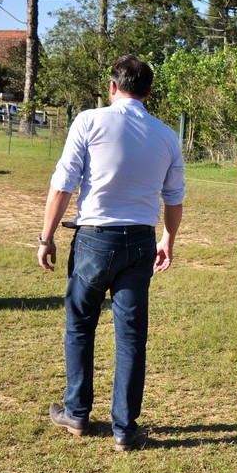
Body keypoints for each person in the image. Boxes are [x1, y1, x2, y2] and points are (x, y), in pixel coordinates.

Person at [38, 55, 185, 452]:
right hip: (140, 241)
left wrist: (46, 236)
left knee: (80, 325)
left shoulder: (88, 121)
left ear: (112, 86)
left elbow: (64, 183)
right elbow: (174, 198)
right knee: (132, 338)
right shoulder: (168, 136)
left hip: (93, 239)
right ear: (148, 92)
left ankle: (77, 413)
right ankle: (125, 429)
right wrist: (167, 240)